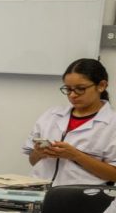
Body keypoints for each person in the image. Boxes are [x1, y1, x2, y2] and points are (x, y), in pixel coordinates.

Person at [24, 57, 116, 186]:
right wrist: (38, 153)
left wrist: (76, 156)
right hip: (39, 189)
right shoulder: (51, 115)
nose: (72, 95)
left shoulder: (112, 123)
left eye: (80, 88)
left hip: (83, 194)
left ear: (101, 86)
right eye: (68, 89)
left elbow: (113, 175)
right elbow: (33, 161)